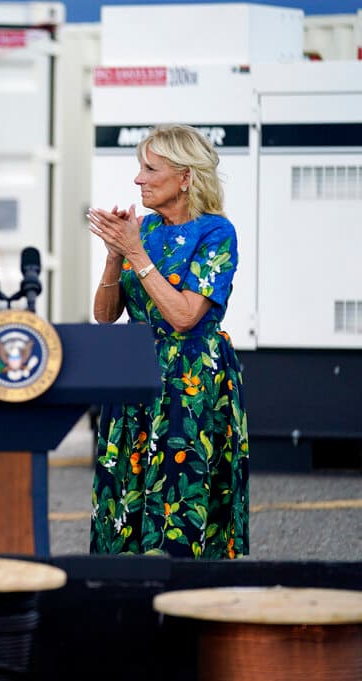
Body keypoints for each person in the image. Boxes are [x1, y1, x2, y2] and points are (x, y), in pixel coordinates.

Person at [86, 124, 249, 559]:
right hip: (135, 374)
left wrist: (135, 253)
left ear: (185, 177)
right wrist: (114, 256)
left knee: (181, 492)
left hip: (188, 382)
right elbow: (105, 315)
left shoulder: (216, 233)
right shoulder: (143, 231)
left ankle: (183, 587)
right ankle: (121, 586)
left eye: (150, 169)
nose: (138, 178)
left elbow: (184, 317)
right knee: (125, 491)